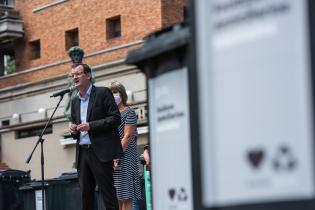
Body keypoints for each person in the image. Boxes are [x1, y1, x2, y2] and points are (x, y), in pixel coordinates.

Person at [69, 64, 123, 210]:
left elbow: (115, 118)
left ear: (88, 75)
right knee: (86, 196)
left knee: (108, 194)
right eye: (73, 75)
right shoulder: (74, 100)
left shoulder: (103, 93)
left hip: (100, 152)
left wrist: (91, 126)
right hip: (82, 153)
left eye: (78, 74)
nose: (75, 77)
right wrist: (73, 129)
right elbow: (76, 126)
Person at [109, 81, 142, 210]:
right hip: (112, 159)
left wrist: (117, 156)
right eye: (111, 93)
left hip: (126, 157)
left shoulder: (129, 112)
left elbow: (127, 136)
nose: (113, 95)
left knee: (126, 198)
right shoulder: (111, 115)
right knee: (116, 197)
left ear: (122, 94)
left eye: (115, 92)